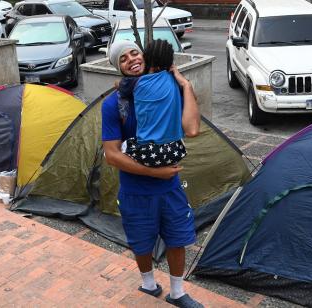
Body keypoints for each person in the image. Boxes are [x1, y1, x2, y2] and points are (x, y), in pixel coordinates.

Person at [101, 40, 203, 308]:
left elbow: (192, 129)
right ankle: (148, 284)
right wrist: (152, 172)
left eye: (134, 52)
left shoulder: (170, 88)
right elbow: (111, 154)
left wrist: (186, 85)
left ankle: (178, 292)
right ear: (118, 67)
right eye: (122, 58)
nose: (131, 59)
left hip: (169, 187)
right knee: (141, 242)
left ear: (144, 55)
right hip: (135, 190)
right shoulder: (114, 103)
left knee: (177, 238)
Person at [117, 39, 187, 167]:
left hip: (147, 152)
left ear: (146, 57)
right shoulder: (175, 80)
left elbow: (120, 86)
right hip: (176, 150)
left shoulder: (135, 82)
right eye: (123, 59)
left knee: (123, 147)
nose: (132, 59)